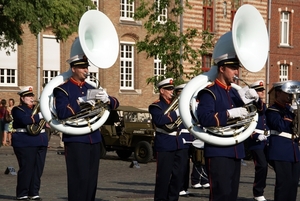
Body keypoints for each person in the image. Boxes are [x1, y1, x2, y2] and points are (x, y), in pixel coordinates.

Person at [53, 53, 119, 201]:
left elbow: (116, 104)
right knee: (78, 179)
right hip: (76, 140)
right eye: (83, 68)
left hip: (94, 139)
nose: (86, 71)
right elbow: (62, 113)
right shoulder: (63, 90)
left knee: (91, 180)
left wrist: (108, 99)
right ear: (74, 68)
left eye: (87, 67)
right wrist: (80, 102)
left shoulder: (91, 87)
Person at [196, 55, 259, 200]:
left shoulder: (235, 93)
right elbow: (205, 118)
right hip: (218, 150)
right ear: (222, 69)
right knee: (221, 195)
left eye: (237, 68)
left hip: (236, 150)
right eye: (233, 68)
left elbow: (257, 112)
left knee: (231, 195)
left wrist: (256, 100)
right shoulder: (209, 92)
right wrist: (229, 114)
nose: (236, 72)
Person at [149, 78, 187, 201]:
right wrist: (176, 113)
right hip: (165, 143)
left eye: (172, 89)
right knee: (163, 178)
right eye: (169, 89)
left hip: (179, 143)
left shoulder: (178, 104)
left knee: (178, 176)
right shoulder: (156, 106)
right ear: (162, 91)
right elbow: (159, 121)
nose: (172, 91)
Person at [11, 86, 48, 200]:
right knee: (27, 168)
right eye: (28, 96)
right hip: (25, 141)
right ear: (22, 98)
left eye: (32, 96)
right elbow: (24, 120)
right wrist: (40, 116)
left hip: (41, 140)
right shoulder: (18, 110)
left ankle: (34, 192)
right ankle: (22, 193)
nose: (31, 98)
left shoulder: (39, 108)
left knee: (38, 169)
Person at [265, 81, 300, 201]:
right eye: (287, 93)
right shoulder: (272, 111)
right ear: (278, 93)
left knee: (293, 183)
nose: (290, 96)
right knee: (283, 183)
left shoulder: (290, 110)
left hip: (293, 151)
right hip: (280, 151)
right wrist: (291, 116)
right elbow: (279, 126)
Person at [247, 80, 269, 201]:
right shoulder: (250, 107)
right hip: (256, 142)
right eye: (259, 91)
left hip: (266, 140)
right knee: (262, 165)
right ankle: (258, 192)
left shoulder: (263, 105)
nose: (262, 92)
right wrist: (255, 136)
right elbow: (245, 126)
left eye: (262, 90)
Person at [174, 84, 194, 197]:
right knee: (180, 166)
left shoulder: (189, 108)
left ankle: (184, 187)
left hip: (189, 139)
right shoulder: (176, 109)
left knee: (186, 166)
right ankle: (179, 187)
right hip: (180, 138)